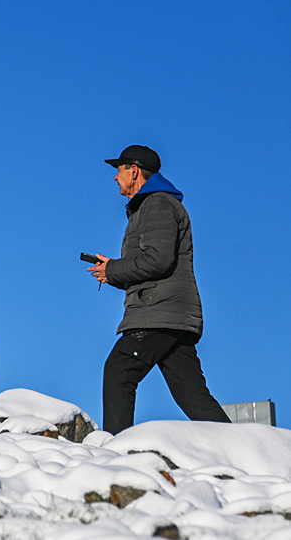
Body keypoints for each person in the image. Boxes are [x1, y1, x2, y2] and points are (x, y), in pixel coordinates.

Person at [87, 145, 230, 434]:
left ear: (134, 171)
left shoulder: (156, 204)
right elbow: (154, 263)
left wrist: (115, 268)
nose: (115, 178)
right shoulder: (152, 206)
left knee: (119, 370)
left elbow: (158, 260)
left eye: (119, 170)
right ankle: (243, 450)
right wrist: (112, 272)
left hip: (159, 313)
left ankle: (115, 450)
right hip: (169, 312)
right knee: (193, 396)